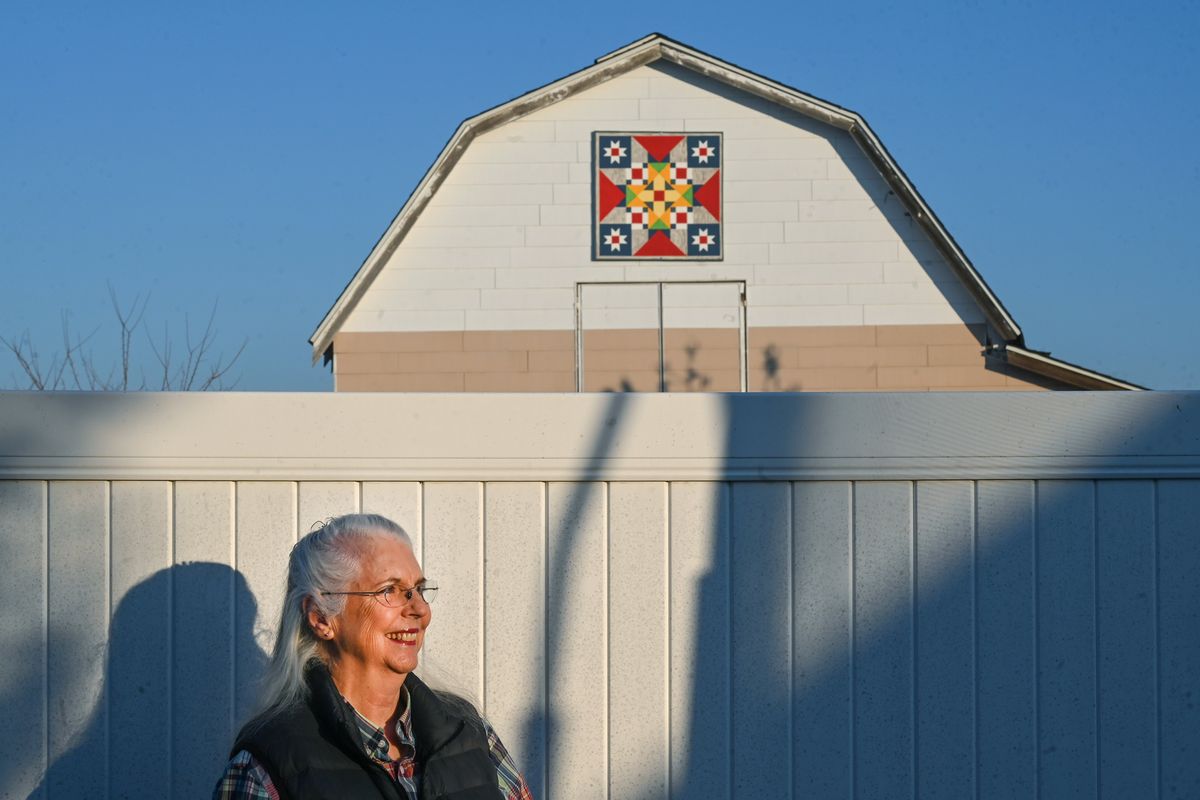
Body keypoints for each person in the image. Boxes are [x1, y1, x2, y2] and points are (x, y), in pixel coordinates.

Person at [213, 513, 532, 799]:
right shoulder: (268, 764)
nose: (419, 609)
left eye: (418, 589)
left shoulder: (468, 733)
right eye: (389, 590)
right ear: (321, 617)